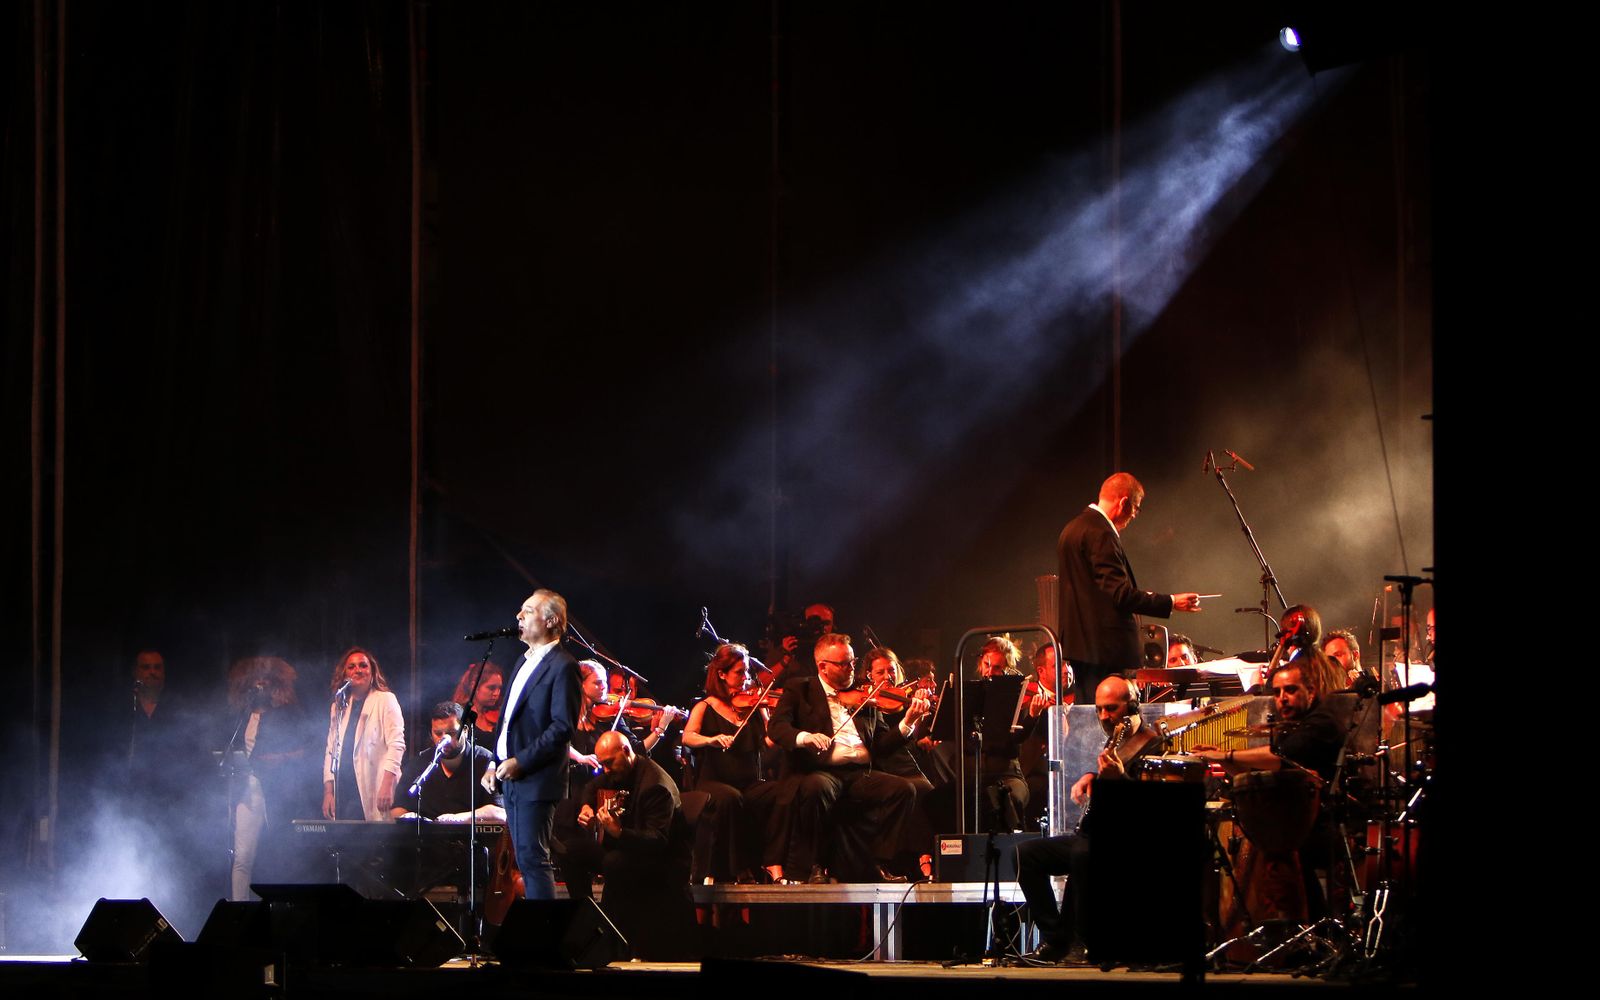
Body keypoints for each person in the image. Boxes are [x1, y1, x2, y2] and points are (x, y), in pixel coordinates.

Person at [1015, 675, 1165, 964]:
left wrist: (1119, 778)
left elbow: (1151, 810)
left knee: (1084, 854)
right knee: (1024, 854)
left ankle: (1085, 941)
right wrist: (1091, 776)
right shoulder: (1116, 739)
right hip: (1095, 834)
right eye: (1099, 709)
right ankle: (1056, 938)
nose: (1104, 716)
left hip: (1130, 841)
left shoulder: (1153, 745)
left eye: (1111, 708)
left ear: (1133, 707)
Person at [767, 632, 930, 883]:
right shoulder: (800, 688)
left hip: (859, 773)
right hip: (821, 770)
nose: (852, 669)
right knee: (816, 787)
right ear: (823, 666)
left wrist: (908, 722)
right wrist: (805, 737)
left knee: (904, 789)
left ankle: (877, 861)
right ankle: (815, 865)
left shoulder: (864, 695)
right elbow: (777, 728)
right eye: (844, 664)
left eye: (853, 662)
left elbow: (881, 745)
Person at [1056, 473, 1202, 704]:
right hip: (1106, 649)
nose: (1134, 515)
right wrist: (1171, 601)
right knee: (1113, 718)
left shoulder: (1072, 528)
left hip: (1080, 646)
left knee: (1089, 717)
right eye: (1136, 508)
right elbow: (1119, 594)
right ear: (1124, 502)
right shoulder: (1101, 532)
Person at [559, 730, 694, 959]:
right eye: (603, 765)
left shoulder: (655, 785)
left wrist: (619, 833)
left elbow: (658, 840)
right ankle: (587, 919)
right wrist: (586, 807)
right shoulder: (617, 770)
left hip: (661, 860)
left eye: (609, 763)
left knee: (614, 861)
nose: (606, 770)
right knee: (570, 850)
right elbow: (591, 788)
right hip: (629, 850)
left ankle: (613, 938)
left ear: (625, 751)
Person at [484, 589, 580, 900]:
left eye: (528, 611)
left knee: (533, 860)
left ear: (551, 620)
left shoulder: (563, 666)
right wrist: (493, 762)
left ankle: (544, 938)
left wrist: (521, 761)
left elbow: (562, 727)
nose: (518, 616)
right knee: (524, 860)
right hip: (510, 777)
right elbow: (508, 720)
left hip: (536, 779)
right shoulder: (522, 662)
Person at [680, 643, 790, 884]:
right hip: (713, 782)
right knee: (731, 798)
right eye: (740, 672)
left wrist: (778, 722)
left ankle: (772, 861)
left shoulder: (751, 705)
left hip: (748, 782)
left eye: (747, 672)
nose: (746, 678)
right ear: (722, 674)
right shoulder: (705, 706)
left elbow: (768, 743)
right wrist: (712, 739)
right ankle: (739, 869)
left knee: (782, 792)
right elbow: (688, 736)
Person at [224, 656, 307, 900]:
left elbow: (309, 748)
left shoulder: (289, 713)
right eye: (255, 677)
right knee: (242, 856)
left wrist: (280, 758)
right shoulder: (241, 715)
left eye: (265, 677)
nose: (260, 681)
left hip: (278, 788)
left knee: (277, 853)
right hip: (245, 788)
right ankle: (239, 910)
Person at [322, 647, 405, 821]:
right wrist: (329, 791)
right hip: (344, 787)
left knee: (374, 842)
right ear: (345, 673)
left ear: (372, 671)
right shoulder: (339, 706)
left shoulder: (385, 700)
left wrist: (387, 784)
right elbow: (331, 750)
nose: (357, 670)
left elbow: (397, 745)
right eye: (351, 667)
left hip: (374, 783)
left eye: (363, 665)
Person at [393, 702, 503, 822]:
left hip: (471, 837)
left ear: (465, 731)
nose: (444, 739)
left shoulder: (486, 761)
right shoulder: (420, 763)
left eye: (451, 733)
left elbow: (499, 811)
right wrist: (409, 818)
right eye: (438, 733)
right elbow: (397, 809)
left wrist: (458, 819)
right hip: (428, 838)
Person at [451, 662, 507, 738]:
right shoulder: (460, 716)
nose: (496, 693)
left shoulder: (500, 713)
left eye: (499, 688)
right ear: (474, 686)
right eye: (491, 688)